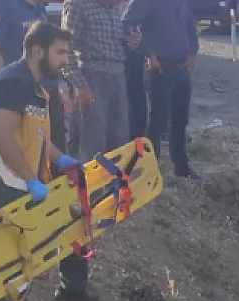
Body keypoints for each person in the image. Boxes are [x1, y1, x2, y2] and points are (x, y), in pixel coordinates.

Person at [0, 22, 91, 301]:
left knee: (27, 250)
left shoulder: (38, 89)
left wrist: (64, 160)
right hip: (1, 181)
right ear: (37, 50)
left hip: (20, 179)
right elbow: (2, 136)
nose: (65, 60)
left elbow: (38, 140)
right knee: (12, 258)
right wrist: (32, 180)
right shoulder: (14, 82)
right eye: (60, 52)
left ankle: (67, 293)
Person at [122, 0, 198, 179]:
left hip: (181, 68)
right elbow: (127, 23)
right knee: (157, 121)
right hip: (159, 68)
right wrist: (148, 53)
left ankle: (181, 167)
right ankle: (150, 170)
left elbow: (190, 26)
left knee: (180, 119)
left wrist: (193, 52)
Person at [61, 0, 129, 162]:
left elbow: (118, 41)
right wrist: (80, 84)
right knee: (93, 140)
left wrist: (131, 41)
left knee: (120, 137)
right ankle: (88, 185)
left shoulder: (119, 6)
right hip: (92, 74)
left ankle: (115, 184)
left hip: (118, 73)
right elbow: (65, 47)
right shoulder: (79, 5)